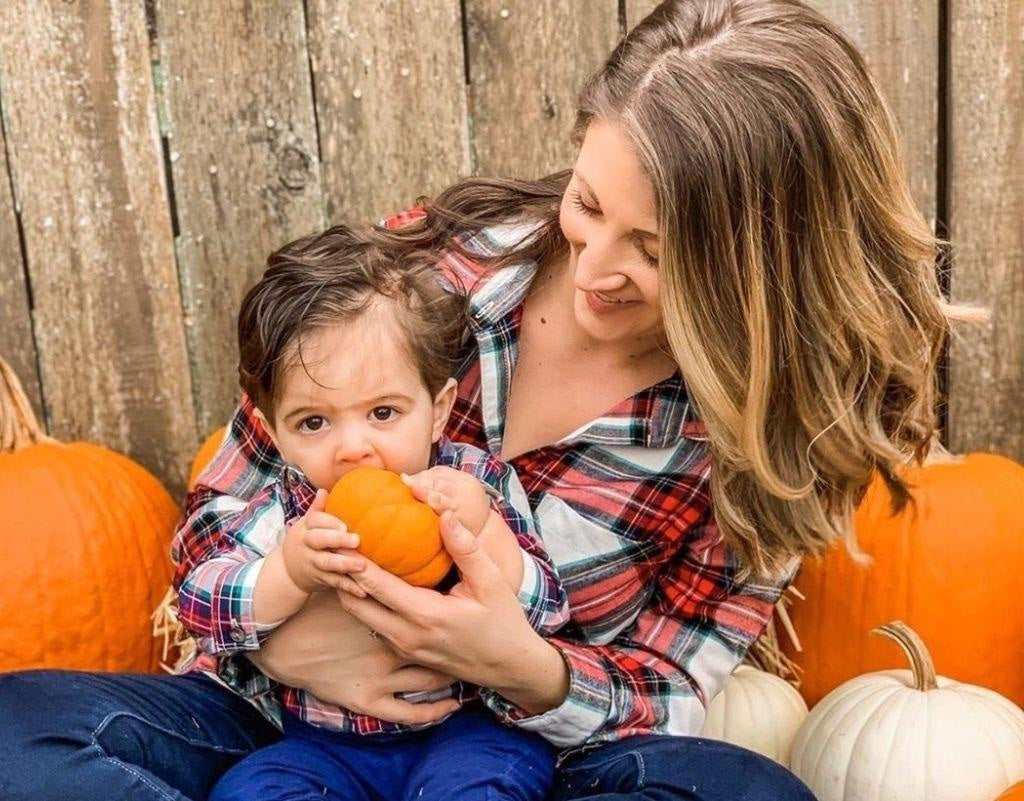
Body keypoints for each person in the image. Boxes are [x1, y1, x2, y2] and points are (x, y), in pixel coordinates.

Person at [0, 2, 957, 798]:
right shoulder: (423, 274)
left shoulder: (766, 438)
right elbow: (214, 522)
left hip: (527, 757)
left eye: (657, 252)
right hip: (278, 723)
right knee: (20, 738)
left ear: (767, 268)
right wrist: (291, 636)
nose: (595, 272)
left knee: (750, 794)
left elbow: (672, 687)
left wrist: (524, 667)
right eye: (586, 205)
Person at [174, 226, 568, 800]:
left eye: (383, 411)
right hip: (325, 745)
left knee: (481, 789)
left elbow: (547, 610)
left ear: (437, 411)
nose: (353, 446)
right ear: (271, 433)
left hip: (469, 732)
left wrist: (483, 533)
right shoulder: (288, 510)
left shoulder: (474, 484)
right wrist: (288, 573)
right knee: (250, 790)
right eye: (314, 422)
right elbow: (200, 605)